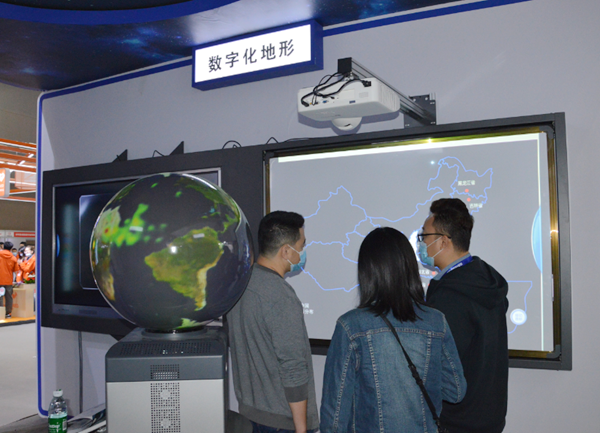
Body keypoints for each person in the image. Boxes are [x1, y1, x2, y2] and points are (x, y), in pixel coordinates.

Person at [321, 227, 466, 433]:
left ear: (367, 271)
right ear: (409, 267)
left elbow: (335, 416)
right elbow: (456, 391)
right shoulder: (436, 321)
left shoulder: (351, 326)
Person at [420, 198, 509, 433]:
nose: (422, 242)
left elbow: (441, 368)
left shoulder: (449, 296)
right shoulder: (486, 280)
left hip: (457, 421)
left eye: (425, 236)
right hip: (489, 417)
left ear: (443, 241)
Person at [228, 211, 319, 433]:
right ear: (286, 251)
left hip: (250, 415)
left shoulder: (240, 284)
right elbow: (293, 368)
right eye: (302, 245)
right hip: (281, 422)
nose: (303, 252)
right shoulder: (281, 296)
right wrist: (301, 429)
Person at [0, 241, 19, 318]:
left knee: (0, 297)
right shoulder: (13, 258)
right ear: (11, 248)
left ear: (3, 247)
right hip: (8, 280)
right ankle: (8, 313)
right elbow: (15, 270)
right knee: (9, 297)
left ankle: (0, 313)